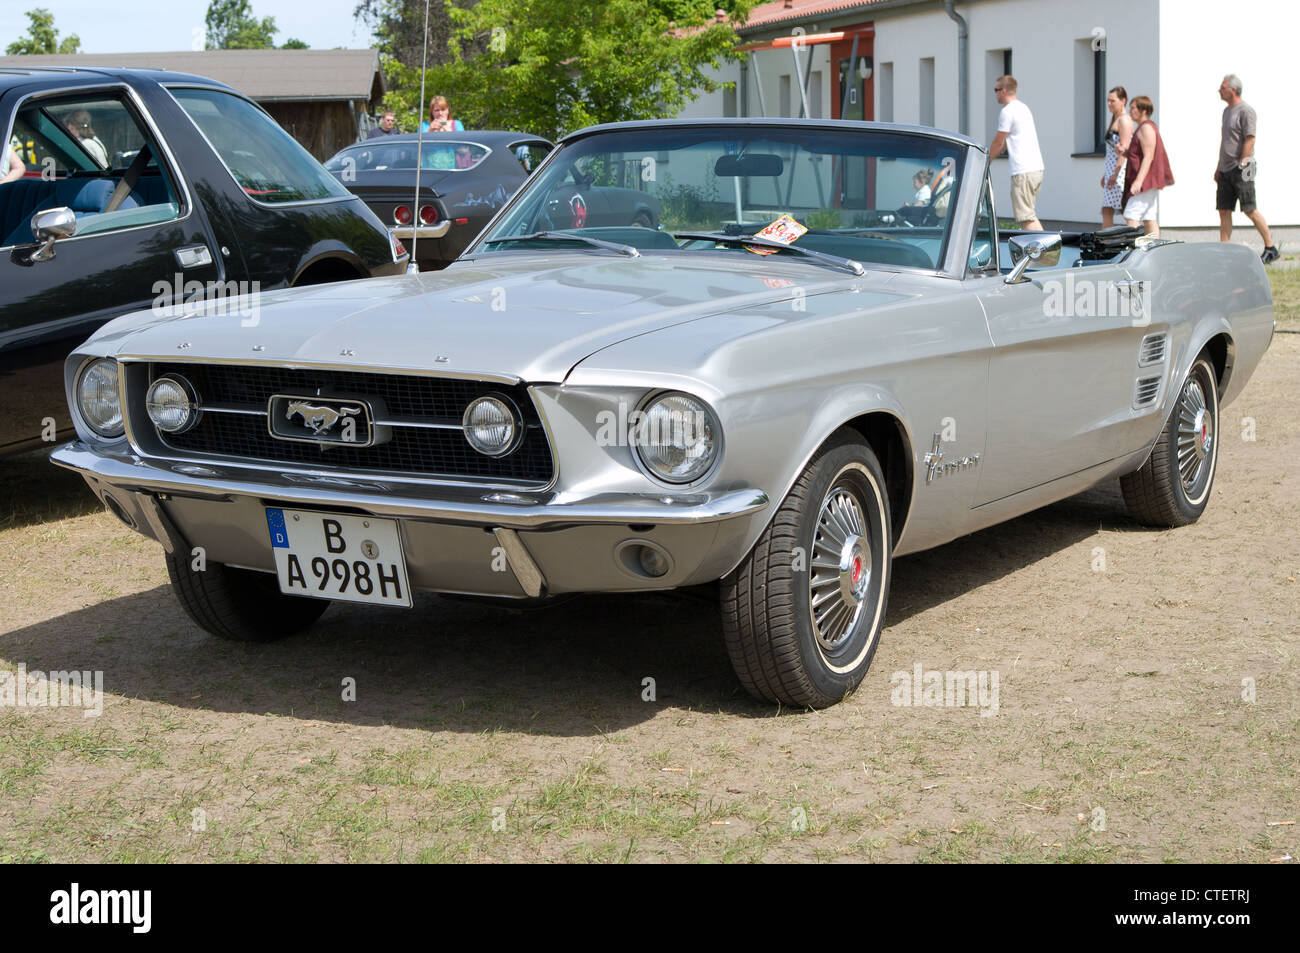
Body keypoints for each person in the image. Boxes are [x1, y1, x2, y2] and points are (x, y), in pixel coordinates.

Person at [1215, 74, 1278, 263]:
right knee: (1224, 210)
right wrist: (1219, 166)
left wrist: (1243, 162)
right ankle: (1224, 251)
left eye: (1223, 87)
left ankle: (1270, 247)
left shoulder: (1246, 111)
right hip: (1225, 169)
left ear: (1233, 90)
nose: (1219, 90)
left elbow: (1250, 138)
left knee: (1250, 208)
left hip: (1243, 167)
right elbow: (1225, 141)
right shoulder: (1227, 111)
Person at [988, 75, 1044, 230]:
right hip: (1035, 169)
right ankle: (1041, 252)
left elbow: (998, 142)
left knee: (1026, 218)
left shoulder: (1007, 111)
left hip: (1023, 171)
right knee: (1028, 214)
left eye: (996, 90)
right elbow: (1005, 143)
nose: (995, 93)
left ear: (1004, 91)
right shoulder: (1023, 108)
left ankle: (1045, 253)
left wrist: (985, 162)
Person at [1122, 95, 1174, 238]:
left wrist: (1138, 181)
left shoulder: (1146, 128)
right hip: (1149, 180)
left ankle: (1135, 249)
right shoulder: (1144, 127)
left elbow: (1149, 156)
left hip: (1146, 181)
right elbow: (1140, 155)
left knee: (1131, 215)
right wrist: (1126, 153)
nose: (1130, 111)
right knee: (1149, 218)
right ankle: (1155, 248)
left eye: (1133, 108)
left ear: (1143, 110)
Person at [1100, 86, 1134, 228]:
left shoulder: (1124, 120)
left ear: (1123, 101)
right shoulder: (1116, 119)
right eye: (1108, 101)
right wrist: (1106, 174)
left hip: (1119, 172)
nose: (1109, 104)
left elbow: (1124, 149)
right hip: (1113, 171)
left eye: (1112, 101)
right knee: (1108, 210)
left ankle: (1133, 236)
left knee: (1123, 210)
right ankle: (1107, 241)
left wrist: (1115, 173)